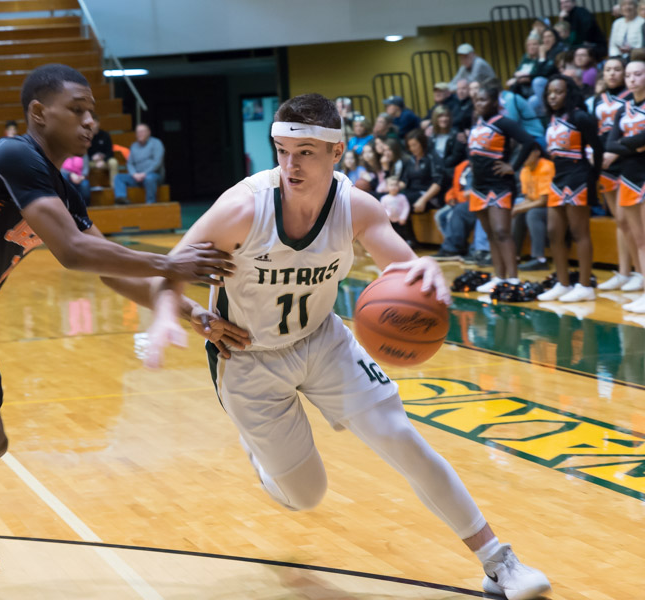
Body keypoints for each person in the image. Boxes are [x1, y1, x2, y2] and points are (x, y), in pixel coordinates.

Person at [145, 93, 551, 600]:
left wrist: (423, 271)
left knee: (400, 436)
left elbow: (400, 268)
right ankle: (262, 456)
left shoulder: (355, 207)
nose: (291, 164)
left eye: (307, 152)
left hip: (323, 339)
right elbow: (167, 272)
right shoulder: (241, 208)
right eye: (282, 150)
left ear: (336, 153)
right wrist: (181, 314)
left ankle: (499, 562)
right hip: (247, 357)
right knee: (305, 495)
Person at [0, 64, 241, 600]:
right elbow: (72, 252)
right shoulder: (14, 155)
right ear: (39, 113)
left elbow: (109, 268)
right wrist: (169, 263)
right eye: (78, 109)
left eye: (93, 111)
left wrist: (192, 315)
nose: (91, 121)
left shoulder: (60, 189)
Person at [536, 74, 602, 302]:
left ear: (569, 93)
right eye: (549, 93)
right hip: (558, 178)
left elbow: (598, 148)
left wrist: (593, 176)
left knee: (578, 232)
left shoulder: (580, 117)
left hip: (578, 176)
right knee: (554, 232)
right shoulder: (550, 119)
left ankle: (585, 286)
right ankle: (562, 283)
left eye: (558, 92)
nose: (553, 96)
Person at [467, 82, 537, 293]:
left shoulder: (504, 122)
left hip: (499, 184)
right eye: (477, 100)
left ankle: (513, 280)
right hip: (479, 185)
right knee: (490, 234)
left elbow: (529, 142)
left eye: (484, 99)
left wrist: (513, 166)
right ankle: (499, 277)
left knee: (502, 231)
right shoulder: (476, 123)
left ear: (495, 102)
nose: (479, 103)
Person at [592, 57, 643, 292]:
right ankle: (627, 273)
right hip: (616, 166)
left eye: (617, 70)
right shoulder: (604, 102)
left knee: (637, 228)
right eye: (608, 70)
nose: (613, 74)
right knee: (624, 224)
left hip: (631, 167)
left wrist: (621, 147)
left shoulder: (631, 100)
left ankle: (637, 274)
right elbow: (606, 139)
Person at [605, 57, 645, 312]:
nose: (632, 79)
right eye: (629, 75)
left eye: (638, 74)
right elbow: (609, 144)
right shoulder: (624, 107)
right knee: (640, 241)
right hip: (628, 176)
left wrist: (626, 144)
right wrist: (636, 145)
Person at [512, 146, 554, 270]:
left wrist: (518, 209)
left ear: (537, 152)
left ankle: (540, 259)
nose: (523, 157)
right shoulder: (525, 170)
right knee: (519, 211)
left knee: (533, 213)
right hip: (540, 205)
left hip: (555, 208)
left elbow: (543, 201)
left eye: (526, 153)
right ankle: (514, 255)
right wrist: (515, 208)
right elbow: (529, 198)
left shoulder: (546, 167)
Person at [113, 123, 164, 204]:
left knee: (149, 178)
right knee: (118, 177)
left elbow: (157, 162)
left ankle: (150, 204)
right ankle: (121, 200)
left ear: (149, 132)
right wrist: (134, 174)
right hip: (136, 177)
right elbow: (130, 163)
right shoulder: (133, 146)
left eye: (142, 131)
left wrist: (144, 173)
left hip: (153, 175)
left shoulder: (156, 143)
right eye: (138, 132)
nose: (140, 134)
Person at [402, 128, 443, 214]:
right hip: (411, 192)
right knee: (385, 198)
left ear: (422, 143)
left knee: (400, 201)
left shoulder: (432, 157)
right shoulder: (411, 159)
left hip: (428, 196)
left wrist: (423, 200)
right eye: (410, 146)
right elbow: (404, 181)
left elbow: (438, 183)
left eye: (414, 145)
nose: (412, 148)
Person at [88, 112, 118, 186]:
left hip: (105, 161)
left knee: (114, 162)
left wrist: (103, 160)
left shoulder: (105, 135)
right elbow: (83, 154)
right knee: (82, 164)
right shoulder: (86, 136)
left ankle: (114, 187)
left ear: (98, 123)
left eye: (94, 123)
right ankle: (89, 187)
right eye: (90, 124)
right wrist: (92, 159)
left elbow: (110, 152)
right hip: (91, 162)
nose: (92, 126)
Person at [379, 176, 413, 243]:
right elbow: (382, 208)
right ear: (387, 187)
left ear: (399, 187)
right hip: (389, 221)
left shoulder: (402, 197)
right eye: (391, 185)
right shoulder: (384, 198)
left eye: (396, 185)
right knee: (391, 234)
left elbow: (406, 207)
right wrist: (388, 215)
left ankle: (406, 244)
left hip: (400, 221)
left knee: (402, 234)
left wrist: (403, 217)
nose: (394, 187)